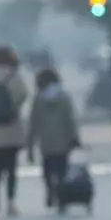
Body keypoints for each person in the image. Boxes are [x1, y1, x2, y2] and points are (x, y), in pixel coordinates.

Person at [0, 45, 29, 217]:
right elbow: (23, 94)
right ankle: (11, 203)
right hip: (11, 129)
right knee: (11, 168)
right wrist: (12, 106)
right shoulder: (15, 75)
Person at [26, 68, 80, 209]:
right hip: (63, 141)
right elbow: (70, 120)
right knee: (62, 170)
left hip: (46, 142)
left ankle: (50, 188)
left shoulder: (38, 99)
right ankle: (62, 197)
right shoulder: (64, 97)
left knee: (47, 169)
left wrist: (30, 145)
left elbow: (33, 123)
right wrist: (74, 137)